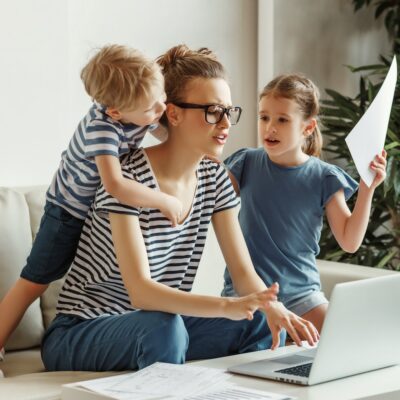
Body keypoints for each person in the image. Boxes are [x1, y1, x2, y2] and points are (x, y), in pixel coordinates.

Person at [41, 46, 319, 372]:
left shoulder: (214, 177)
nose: (226, 123)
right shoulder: (127, 177)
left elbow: (243, 273)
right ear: (173, 114)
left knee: (257, 320)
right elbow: (141, 292)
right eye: (214, 111)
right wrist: (226, 305)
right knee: (165, 328)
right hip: (82, 330)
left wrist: (273, 307)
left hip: (154, 326)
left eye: (230, 111)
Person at [0, 44, 182, 354]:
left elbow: (169, 137)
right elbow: (114, 184)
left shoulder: (138, 106)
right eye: (152, 108)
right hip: (66, 213)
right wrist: (164, 200)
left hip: (92, 212)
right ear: (115, 112)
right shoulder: (102, 129)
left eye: (162, 99)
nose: (161, 111)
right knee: (36, 280)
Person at [222, 73, 387, 333]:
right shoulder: (245, 163)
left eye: (282, 120)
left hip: (303, 297)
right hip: (247, 297)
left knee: (342, 340)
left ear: (307, 127)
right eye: (264, 117)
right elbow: (205, 200)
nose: (270, 128)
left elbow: (349, 241)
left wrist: (368, 188)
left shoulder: (325, 177)